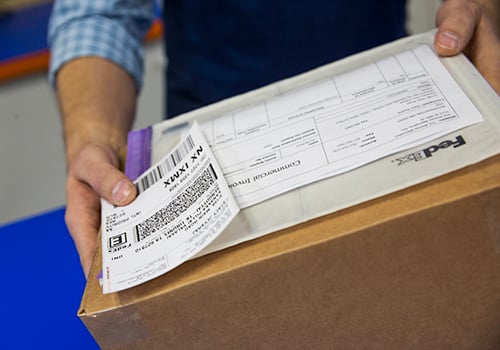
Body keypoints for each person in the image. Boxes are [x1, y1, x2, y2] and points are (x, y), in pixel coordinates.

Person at [48, 0, 500, 277]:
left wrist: (481, 11)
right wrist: (96, 139)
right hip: (213, 157)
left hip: (387, 119)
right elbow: (98, 11)